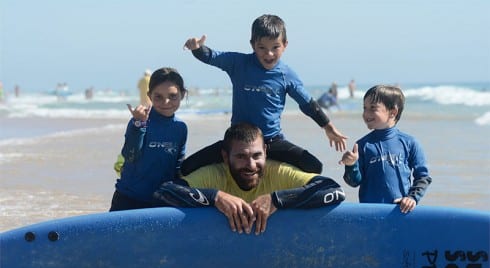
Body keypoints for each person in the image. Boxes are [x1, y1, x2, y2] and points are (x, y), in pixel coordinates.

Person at [182, 14, 347, 175]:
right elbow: (212, 56)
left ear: (285, 45)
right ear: (253, 45)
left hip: (271, 141)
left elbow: (307, 104)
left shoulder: (286, 75)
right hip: (237, 141)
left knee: (313, 166)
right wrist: (197, 48)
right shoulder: (239, 64)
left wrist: (328, 127)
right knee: (187, 167)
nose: (269, 54)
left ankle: (279, 198)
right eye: (262, 48)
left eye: (275, 47)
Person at [154, 123, 346, 235]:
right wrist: (216, 197)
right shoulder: (215, 173)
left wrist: (277, 200)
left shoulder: (278, 171)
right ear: (224, 157)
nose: (251, 165)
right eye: (240, 157)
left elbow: (333, 190)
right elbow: (165, 192)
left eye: (256, 156)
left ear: (265, 153)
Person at [339, 85, 432, 213]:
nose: (366, 113)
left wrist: (412, 198)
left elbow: (423, 177)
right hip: (370, 213)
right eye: (364, 108)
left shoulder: (409, 143)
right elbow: (354, 182)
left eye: (373, 108)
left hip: (399, 211)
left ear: (393, 112)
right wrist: (351, 165)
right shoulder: (362, 145)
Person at [110, 67, 188, 211]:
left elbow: (177, 167)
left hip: (161, 202)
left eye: (173, 96)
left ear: (182, 95)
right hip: (128, 199)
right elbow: (130, 155)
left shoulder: (181, 128)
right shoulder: (139, 122)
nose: (166, 101)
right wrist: (139, 125)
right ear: (149, 96)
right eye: (158, 96)